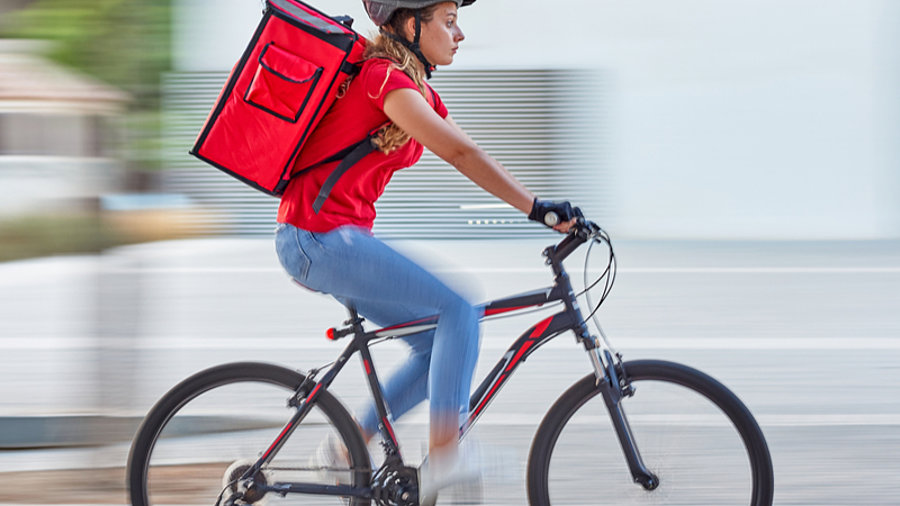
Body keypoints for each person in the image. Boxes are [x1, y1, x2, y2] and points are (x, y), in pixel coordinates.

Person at [274, 0, 582, 500]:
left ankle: (347, 447)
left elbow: (470, 149)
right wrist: (537, 209)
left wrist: (548, 210)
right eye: (449, 20)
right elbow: (460, 155)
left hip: (332, 239)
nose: (459, 34)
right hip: (318, 237)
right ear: (410, 24)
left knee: (435, 340)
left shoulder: (416, 90)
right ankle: (445, 455)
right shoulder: (381, 78)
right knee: (458, 307)